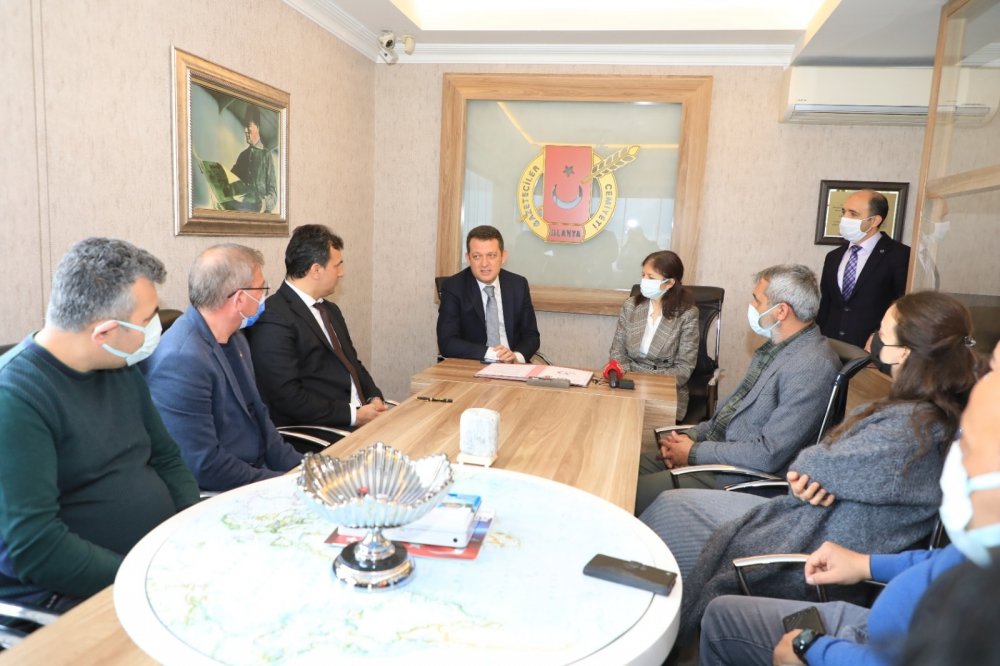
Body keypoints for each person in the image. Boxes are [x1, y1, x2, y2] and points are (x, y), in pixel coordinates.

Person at [642, 291, 979, 647]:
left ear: (904, 353)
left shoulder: (910, 432)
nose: (872, 340)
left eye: (881, 332)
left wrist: (814, 475)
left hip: (814, 547)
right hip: (810, 517)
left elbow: (813, 463)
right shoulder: (917, 413)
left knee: (671, 514)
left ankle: (658, 639)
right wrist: (816, 476)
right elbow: (822, 467)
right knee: (670, 507)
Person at [698, 360, 1000, 666]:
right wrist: (866, 565)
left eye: (969, 446)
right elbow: (944, 561)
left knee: (720, 613)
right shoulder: (981, 548)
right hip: (876, 624)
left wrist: (814, 650)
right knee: (720, 610)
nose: (956, 460)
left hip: (867, 647)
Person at [0, 238, 199, 611]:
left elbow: (167, 459)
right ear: (104, 332)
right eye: (146, 320)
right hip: (85, 593)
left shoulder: (116, 365)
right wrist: (146, 577)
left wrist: (192, 530)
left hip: (160, 563)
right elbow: (36, 548)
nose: (155, 329)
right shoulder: (15, 399)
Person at [635, 264, 839, 514]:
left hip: (739, 478)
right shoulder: (776, 348)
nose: (752, 306)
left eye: (757, 300)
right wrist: (691, 438)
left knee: (628, 491)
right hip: (718, 454)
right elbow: (729, 414)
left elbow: (768, 454)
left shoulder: (813, 366)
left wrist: (694, 453)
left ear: (781, 311)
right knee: (627, 467)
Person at [143, 244, 302, 492]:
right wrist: (282, 483)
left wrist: (305, 471)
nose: (264, 298)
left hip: (255, 474)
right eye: (262, 289)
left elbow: (260, 418)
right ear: (240, 299)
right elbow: (204, 465)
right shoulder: (181, 360)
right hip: (220, 491)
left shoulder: (235, 337)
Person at [246, 225, 387, 431]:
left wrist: (374, 396)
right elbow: (287, 397)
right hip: (319, 430)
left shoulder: (330, 310)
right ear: (316, 270)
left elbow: (352, 363)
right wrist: (354, 415)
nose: (342, 273)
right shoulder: (273, 317)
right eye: (337, 266)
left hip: (358, 418)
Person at [609, 250, 699, 421]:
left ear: (669, 283)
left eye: (651, 277)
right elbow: (617, 352)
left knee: (645, 428)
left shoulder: (687, 314)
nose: (644, 281)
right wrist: (630, 380)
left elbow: (684, 368)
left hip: (665, 389)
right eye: (643, 275)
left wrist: (645, 383)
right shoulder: (631, 306)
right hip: (627, 382)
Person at [817, 189, 909, 348]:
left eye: (853, 213)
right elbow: (826, 305)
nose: (845, 218)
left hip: (872, 348)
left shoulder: (900, 255)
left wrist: (879, 337)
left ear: (874, 220)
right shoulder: (833, 257)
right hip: (830, 347)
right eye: (844, 212)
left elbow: (903, 305)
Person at [437, 225, 540, 363]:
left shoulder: (518, 285)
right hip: (473, 365)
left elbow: (531, 336)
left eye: (491, 255)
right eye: (477, 256)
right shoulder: (453, 287)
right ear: (468, 258)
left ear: (503, 257)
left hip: (513, 366)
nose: (484, 264)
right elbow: (447, 343)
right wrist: (494, 354)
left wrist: (516, 357)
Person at [230, 105, 277, 213]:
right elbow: (232, 182)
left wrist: (263, 204)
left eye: (248, 126)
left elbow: (273, 194)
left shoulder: (266, 155)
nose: (245, 130)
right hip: (242, 212)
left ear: (257, 127)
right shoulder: (242, 156)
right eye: (244, 126)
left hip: (261, 216)